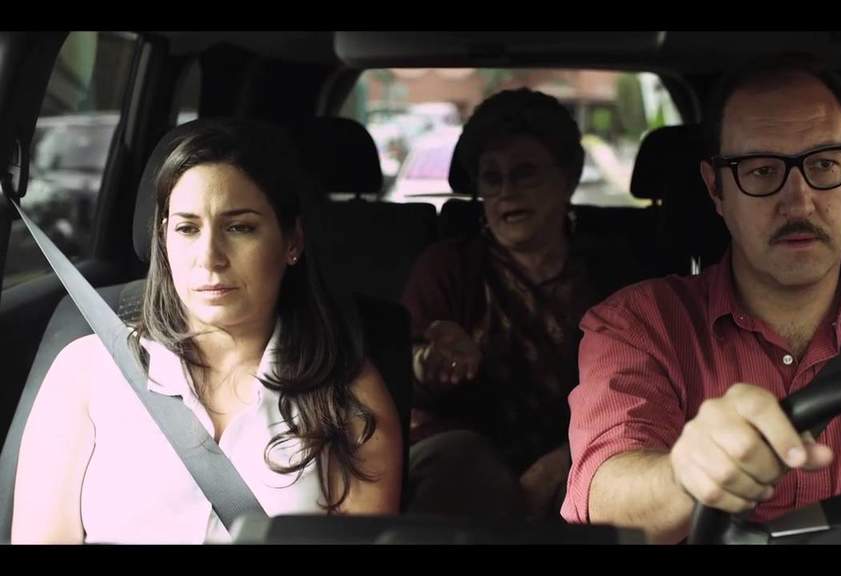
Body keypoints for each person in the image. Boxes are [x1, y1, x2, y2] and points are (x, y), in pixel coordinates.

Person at [561, 55, 841, 543]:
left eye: (824, 164)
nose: (799, 202)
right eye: (762, 170)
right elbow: (604, 492)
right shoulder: (638, 323)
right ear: (716, 188)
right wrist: (686, 474)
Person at [12, 119, 402, 544]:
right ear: (164, 240)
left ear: (292, 241)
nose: (210, 256)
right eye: (187, 228)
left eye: (240, 227)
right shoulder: (87, 371)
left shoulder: (347, 392)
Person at [401, 88, 648, 520]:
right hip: (462, 465)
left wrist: (562, 461)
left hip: (585, 449)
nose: (506, 192)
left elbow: (645, 390)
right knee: (461, 464)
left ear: (567, 178)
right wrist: (428, 362)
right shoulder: (447, 267)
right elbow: (396, 377)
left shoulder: (615, 271)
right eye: (491, 178)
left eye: (525, 173)